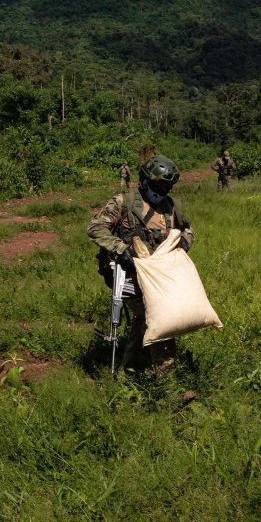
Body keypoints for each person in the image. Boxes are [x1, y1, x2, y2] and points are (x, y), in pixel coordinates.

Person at [88, 154, 194, 373]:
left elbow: (188, 229)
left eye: (168, 185)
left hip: (160, 274)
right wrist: (120, 248)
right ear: (146, 180)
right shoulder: (123, 202)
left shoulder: (171, 207)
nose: (164, 189)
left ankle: (128, 367)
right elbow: (96, 228)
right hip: (127, 273)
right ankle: (166, 378)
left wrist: (185, 241)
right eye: (160, 184)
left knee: (146, 318)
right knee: (155, 314)